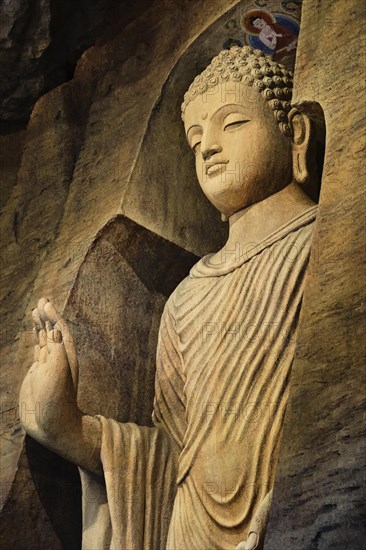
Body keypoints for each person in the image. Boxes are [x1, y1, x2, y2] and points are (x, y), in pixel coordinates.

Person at [19, 46, 318, 549]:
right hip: (188, 531)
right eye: (195, 137)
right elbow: (170, 452)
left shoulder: (323, 242)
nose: (207, 148)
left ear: (298, 135)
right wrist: (64, 424)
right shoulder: (185, 297)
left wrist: (300, 493)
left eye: (234, 122)